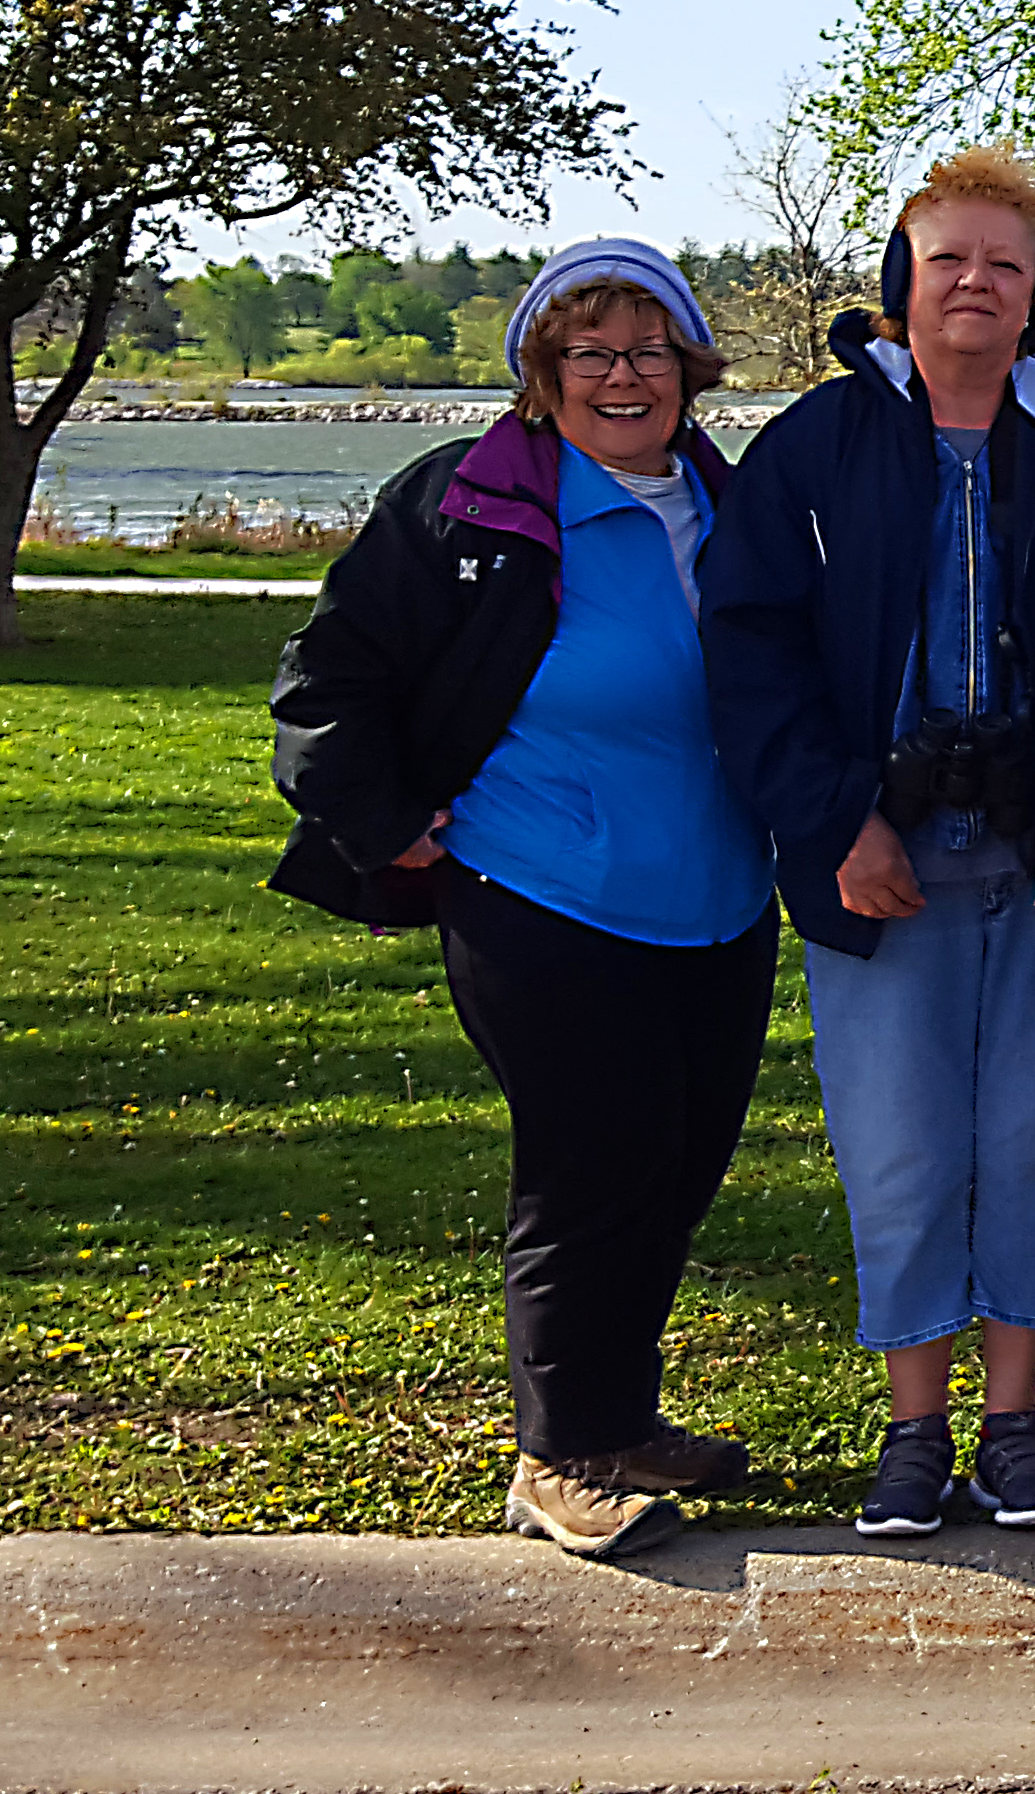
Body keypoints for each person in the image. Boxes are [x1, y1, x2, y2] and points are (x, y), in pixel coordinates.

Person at [272, 239, 775, 1560]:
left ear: (690, 369)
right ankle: (559, 1452)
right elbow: (327, 679)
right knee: (589, 1161)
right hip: (544, 893)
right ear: (543, 377)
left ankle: (619, 1413)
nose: (624, 374)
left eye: (649, 349)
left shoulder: (725, 502)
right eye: (590, 352)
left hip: (718, 898)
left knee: (677, 1162)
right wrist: (387, 821)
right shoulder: (466, 508)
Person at [698, 147, 1035, 1542]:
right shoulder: (817, 448)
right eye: (948, 258)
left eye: (1004, 264)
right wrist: (834, 820)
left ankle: (1016, 1423)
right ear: (901, 282)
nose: (975, 283)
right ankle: (916, 1427)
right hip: (880, 854)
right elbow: (751, 649)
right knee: (900, 1146)